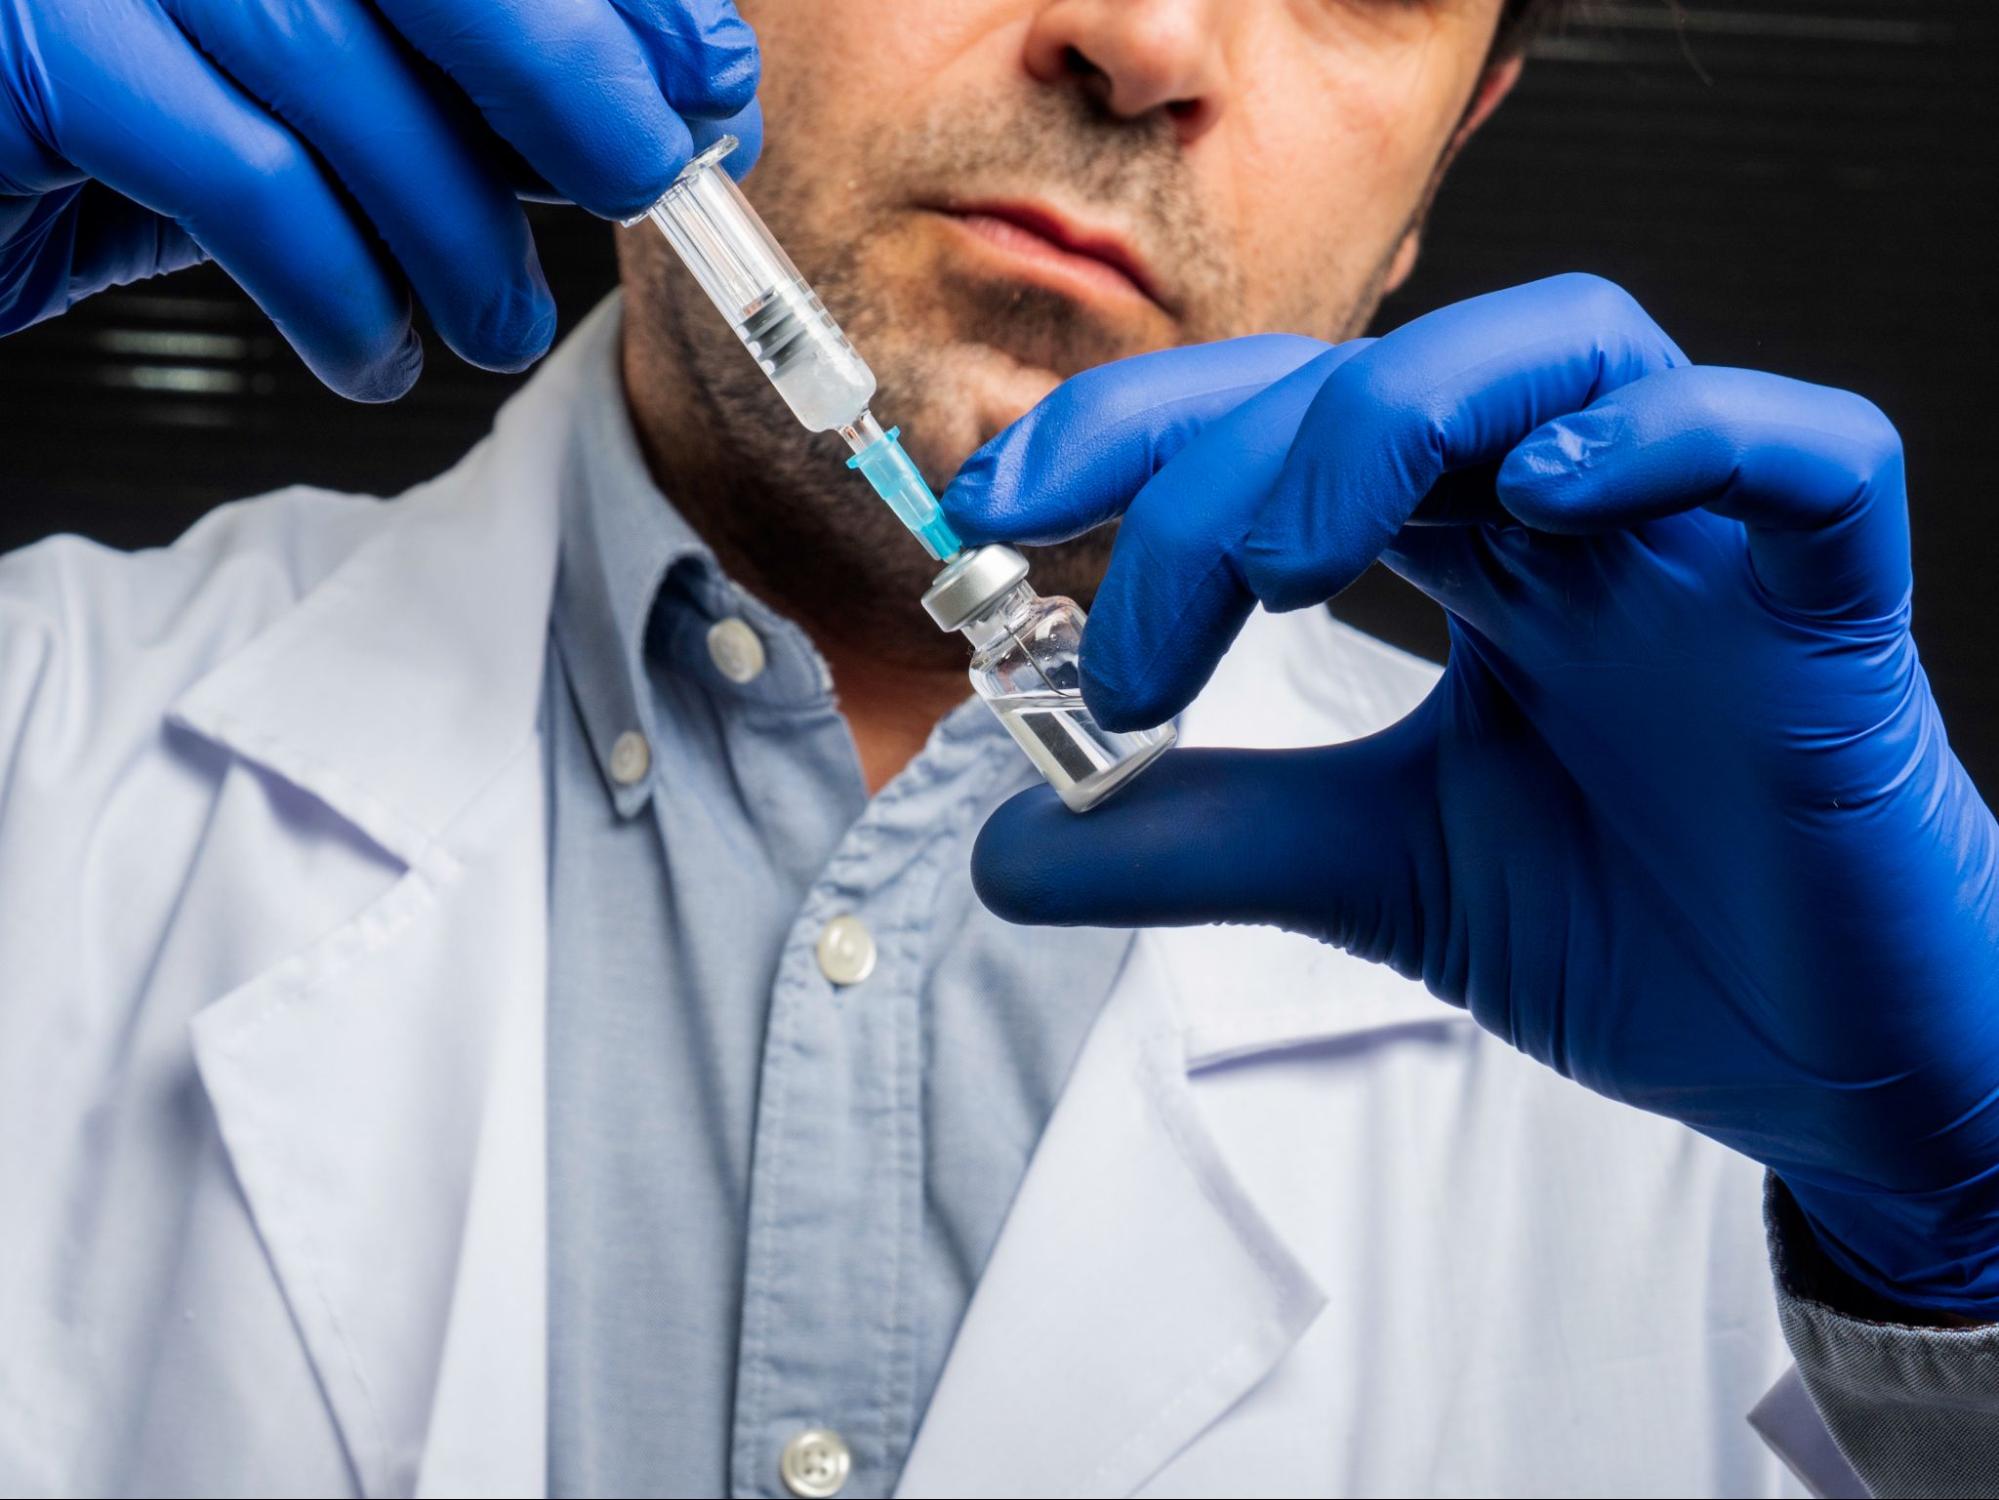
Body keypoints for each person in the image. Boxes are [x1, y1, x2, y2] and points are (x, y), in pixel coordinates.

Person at [1, 0, 1995, 1495]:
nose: (1138, 40)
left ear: (1440, 171)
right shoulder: (38, 742)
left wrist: (1956, 1286)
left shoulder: (1718, 1028)